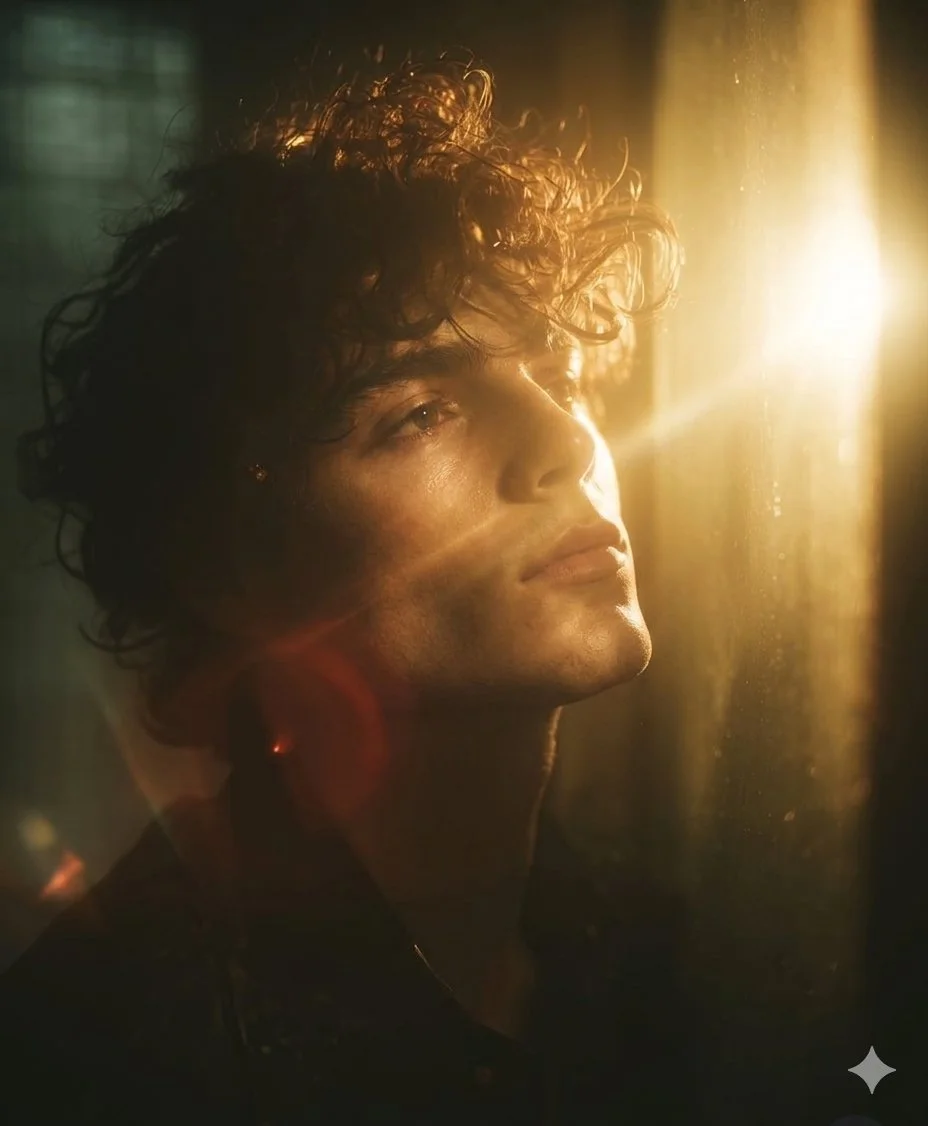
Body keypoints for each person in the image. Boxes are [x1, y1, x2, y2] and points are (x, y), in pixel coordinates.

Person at [1, 53, 694, 1124]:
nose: (564, 441)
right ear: (226, 568)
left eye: (556, 375)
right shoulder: (104, 1053)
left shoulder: (675, 961)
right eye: (416, 413)